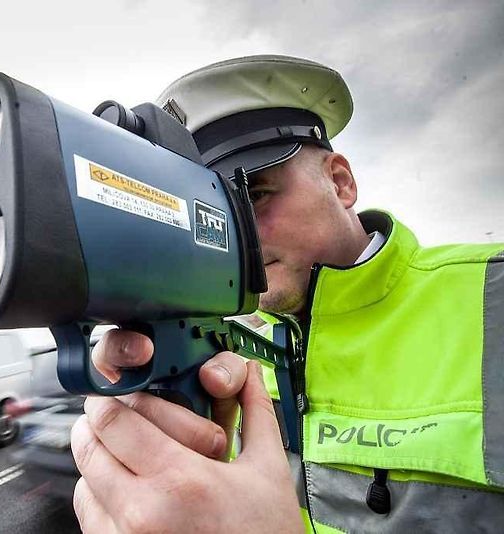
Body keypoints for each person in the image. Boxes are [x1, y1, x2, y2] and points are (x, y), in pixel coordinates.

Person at [69, 55, 504, 533]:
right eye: (212, 212)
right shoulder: (228, 361)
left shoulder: (492, 301)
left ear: (340, 182)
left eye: (253, 195)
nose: (238, 237)